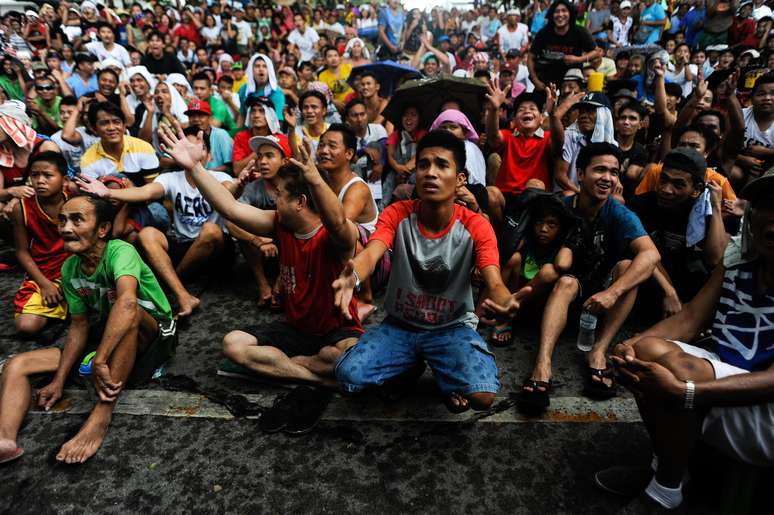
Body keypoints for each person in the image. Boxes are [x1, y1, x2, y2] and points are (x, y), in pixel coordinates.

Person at [595, 170, 774, 512]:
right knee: (643, 354)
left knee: (681, 374)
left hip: (765, 413)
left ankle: (664, 492)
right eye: (766, 205)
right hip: (724, 378)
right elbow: (691, 318)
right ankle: (666, 471)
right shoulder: (739, 256)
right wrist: (628, 346)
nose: (772, 217)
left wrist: (688, 392)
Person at [333, 130, 529, 413]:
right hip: (401, 325)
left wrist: (505, 300)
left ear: (460, 178)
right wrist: (351, 278)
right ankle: (412, 363)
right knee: (349, 377)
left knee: (482, 397)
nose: (430, 173)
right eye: (423, 164)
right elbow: (371, 253)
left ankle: (438, 368)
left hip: (451, 327)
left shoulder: (476, 225)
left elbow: (493, 279)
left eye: (441, 165)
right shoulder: (397, 213)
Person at [160, 123, 363, 387]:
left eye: (279, 195)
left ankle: (288, 365)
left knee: (344, 357)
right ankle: (316, 377)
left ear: (300, 202)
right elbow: (231, 209)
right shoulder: (280, 223)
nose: (274, 200)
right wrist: (194, 168)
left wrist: (314, 178)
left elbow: (337, 222)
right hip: (296, 331)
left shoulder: (335, 236)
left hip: (337, 333)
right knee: (234, 345)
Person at [0, 194, 177, 465]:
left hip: (153, 331)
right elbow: (79, 326)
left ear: (102, 229)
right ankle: (5, 440)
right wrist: (59, 379)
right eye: (62, 220)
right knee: (18, 364)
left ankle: (101, 415)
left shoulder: (119, 251)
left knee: (126, 312)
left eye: (77, 219)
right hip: (110, 330)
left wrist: (101, 359)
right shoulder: (70, 267)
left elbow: (129, 302)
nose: (66, 228)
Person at [521, 142, 659, 412]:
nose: (607, 178)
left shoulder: (619, 214)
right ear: (581, 174)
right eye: (599, 170)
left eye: (614, 172)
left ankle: (598, 351)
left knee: (628, 267)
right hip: (560, 297)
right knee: (566, 281)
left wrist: (613, 292)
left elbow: (651, 255)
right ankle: (542, 365)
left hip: (602, 303)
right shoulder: (560, 206)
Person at [78, 128, 237, 318]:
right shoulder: (170, 178)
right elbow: (146, 192)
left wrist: (240, 185)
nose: (191, 151)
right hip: (184, 245)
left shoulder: (221, 178)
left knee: (211, 230)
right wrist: (109, 192)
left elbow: (230, 191)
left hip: (217, 248)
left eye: (198, 147)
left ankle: (171, 281)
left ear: (208, 155)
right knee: (147, 234)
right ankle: (183, 295)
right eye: (186, 147)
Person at [629, 148, 729, 319]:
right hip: (650, 283)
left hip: (685, 287)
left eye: (678, 184)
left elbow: (715, 258)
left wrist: (716, 208)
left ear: (696, 189)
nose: (666, 189)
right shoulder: (641, 205)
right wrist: (670, 293)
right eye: (664, 180)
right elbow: (644, 254)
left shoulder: (701, 212)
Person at [10, 152, 70, 337]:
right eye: (35, 175)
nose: (40, 181)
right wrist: (45, 285)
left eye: (48, 175)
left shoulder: (75, 199)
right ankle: (65, 307)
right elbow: (22, 252)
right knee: (26, 326)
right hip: (44, 270)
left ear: (64, 179)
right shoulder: (21, 208)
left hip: (75, 267)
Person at [80, 102, 159, 187]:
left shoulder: (144, 148)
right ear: (94, 128)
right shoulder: (88, 160)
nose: (111, 128)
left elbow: (154, 190)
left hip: (146, 198)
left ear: (124, 125)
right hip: (107, 199)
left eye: (116, 122)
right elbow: (94, 195)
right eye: (104, 123)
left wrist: (131, 191)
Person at [528, 0, 600, 92]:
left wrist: (577, 59)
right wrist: (535, 80)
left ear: (570, 14)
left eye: (564, 11)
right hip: (546, 80)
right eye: (556, 11)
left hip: (572, 79)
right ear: (551, 15)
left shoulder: (579, 32)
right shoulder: (544, 33)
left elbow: (597, 53)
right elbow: (530, 57)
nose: (560, 14)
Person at [51, 96, 100, 176]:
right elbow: (67, 136)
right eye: (84, 114)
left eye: (91, 114)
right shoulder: (81, 132)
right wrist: (77, 109)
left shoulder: (110, 131)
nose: (86, 117)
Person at [185, 99, 233, 174]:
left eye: (201, 115)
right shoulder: (185, 134)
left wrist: (203, 174)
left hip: (216, 179)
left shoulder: (221, 134)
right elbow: (165, 161)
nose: (196, 119)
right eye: (192, 116)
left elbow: (229, 167)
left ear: (210, 118)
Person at [191, 72, 238, 137]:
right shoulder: (191, 102)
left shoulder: (219, 105)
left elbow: (211, 129)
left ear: (210, 90)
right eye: (195, 88)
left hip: (229, 136)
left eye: (202, 89)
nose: (198, 92)